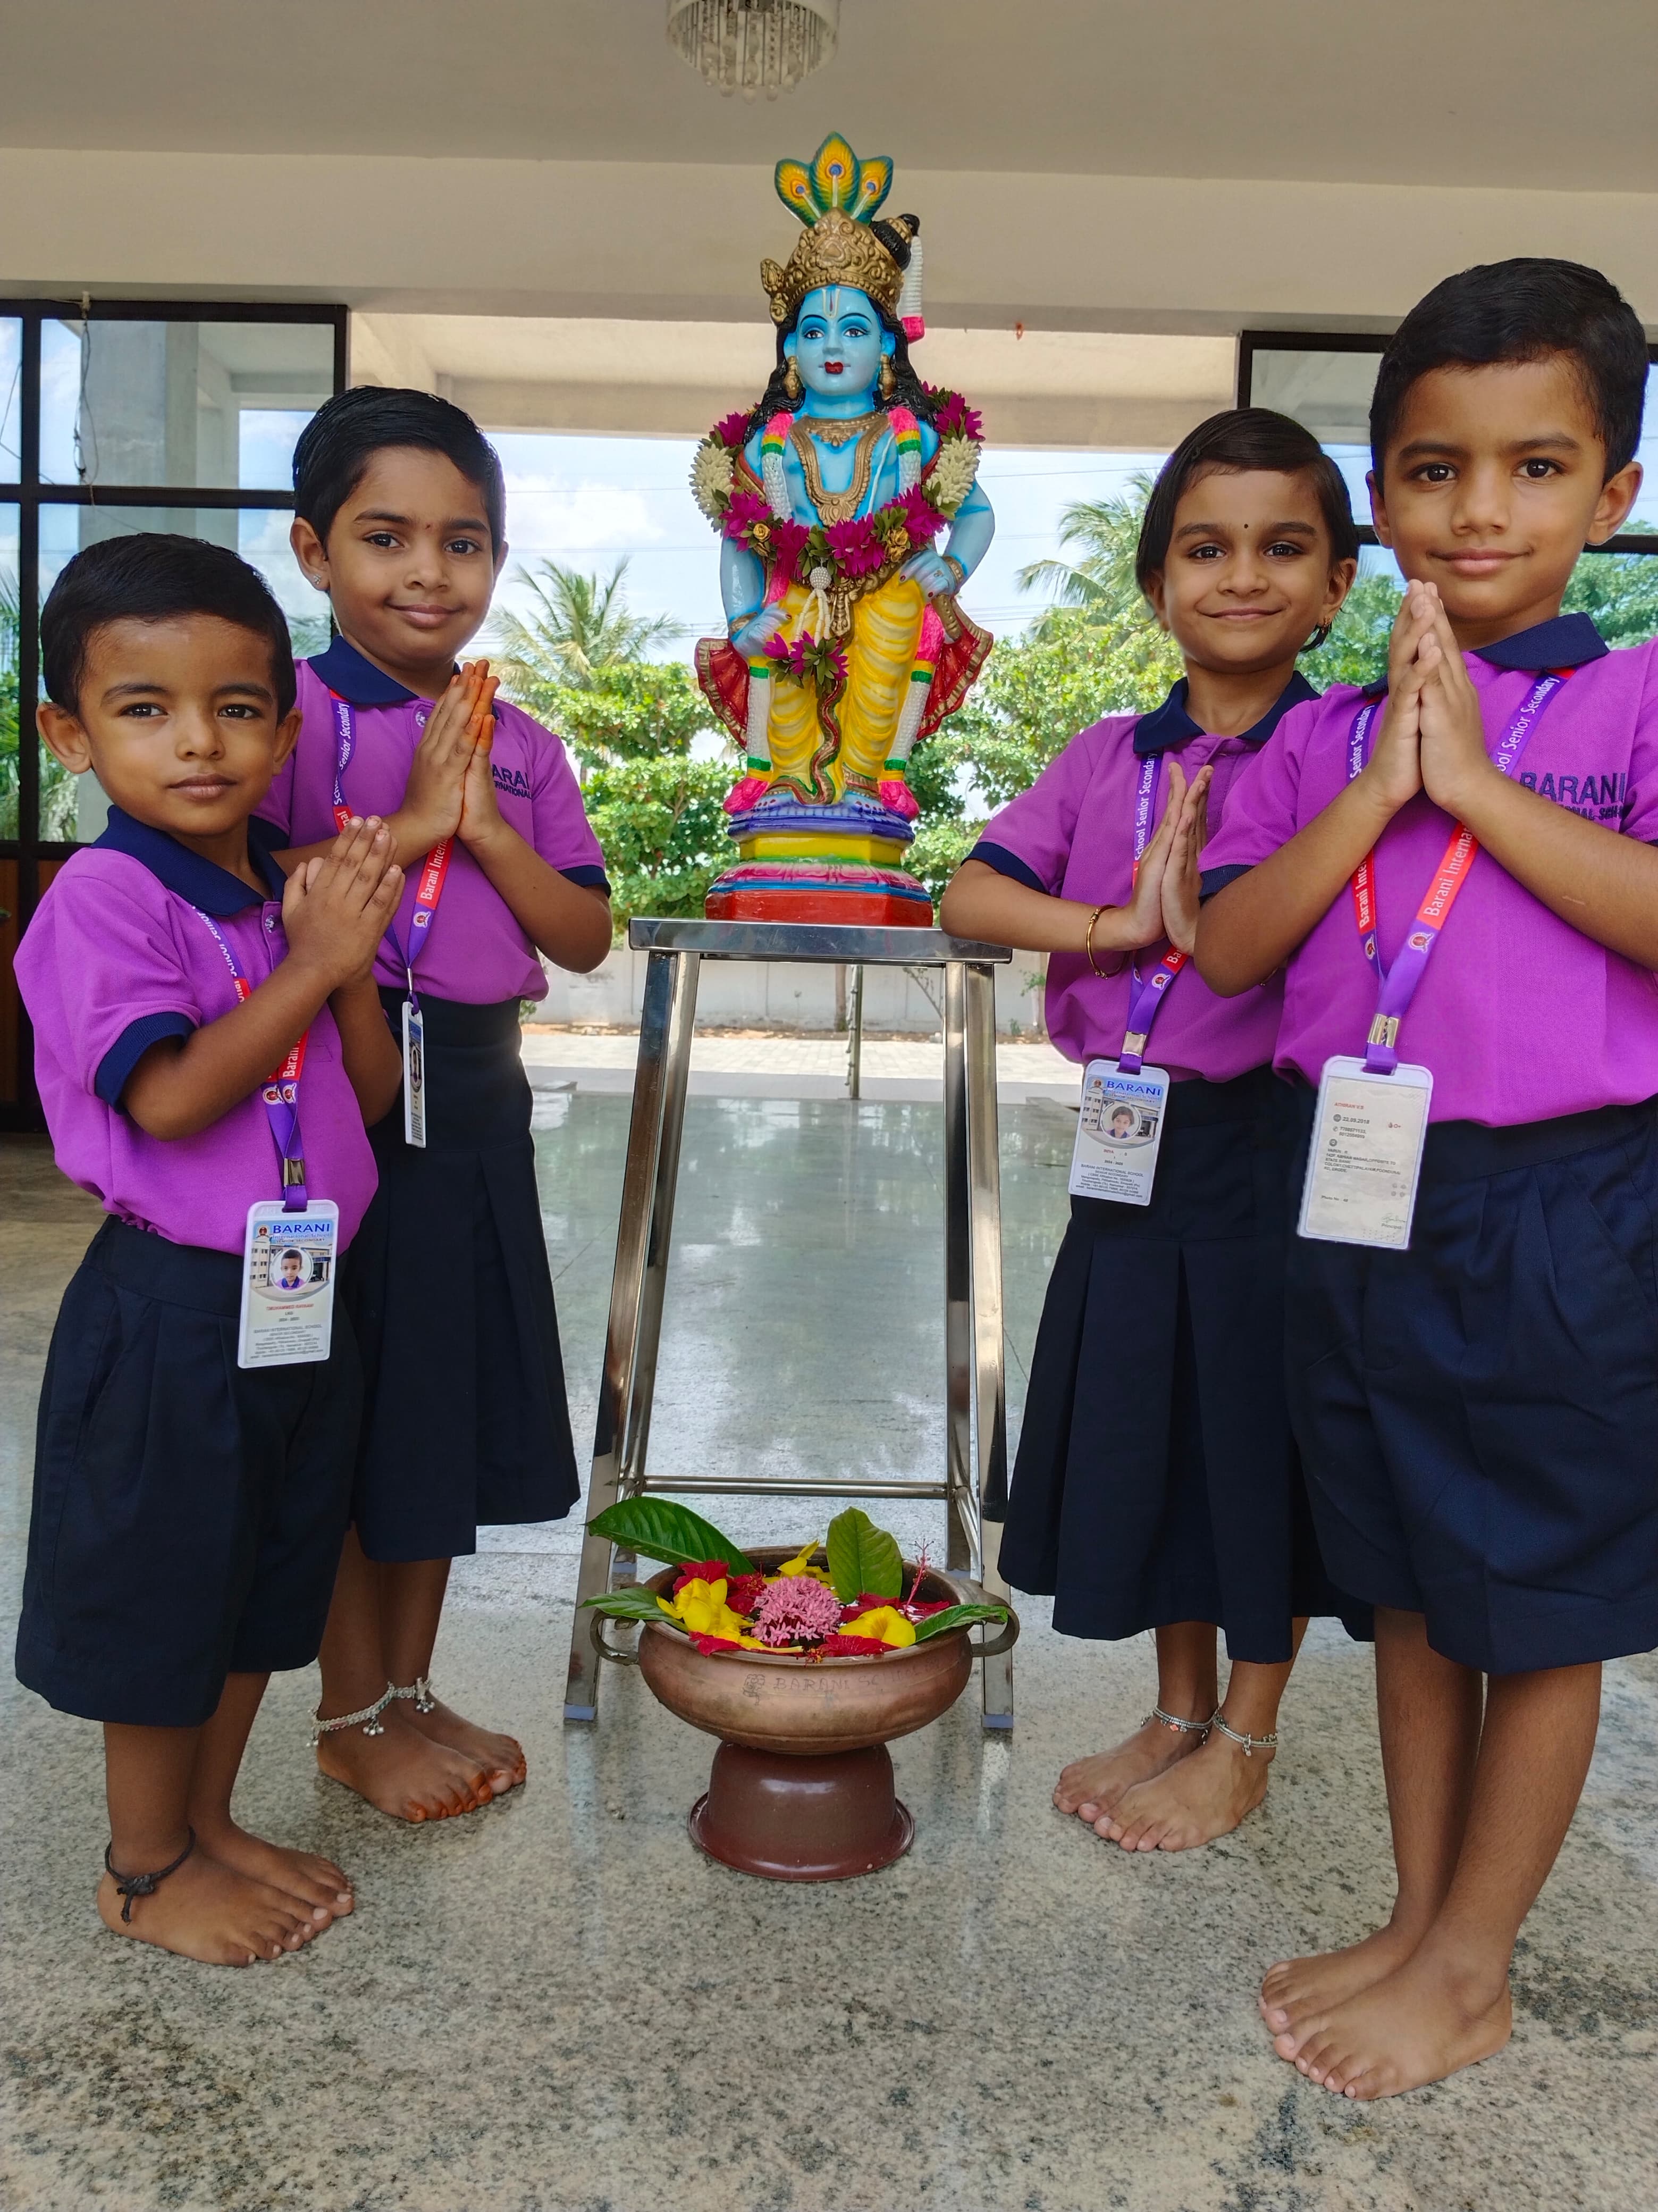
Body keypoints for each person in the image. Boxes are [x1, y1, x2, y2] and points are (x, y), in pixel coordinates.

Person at [1196, 258, 1654, 2099]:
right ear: (1380, 495)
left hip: (1561, 1205)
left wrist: (1473, 787)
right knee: (1399, 1577)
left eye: (1539, 467)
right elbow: (1231, 950)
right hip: (1355, 1189)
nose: (1481, 511)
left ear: (1614, 495)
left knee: (1535, 1593)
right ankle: (1413, 1918)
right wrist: (1380, 790)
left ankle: (1474, 1965)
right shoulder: (1318, 731)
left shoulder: (1636, 703)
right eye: (1435, 469)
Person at [940, 409, 1367, 1854]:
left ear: (1337, 585)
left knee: (1253, 1434)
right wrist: (1114, 923)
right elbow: (969, 895)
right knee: (1161, 1422)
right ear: (1156, 582)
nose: (1241, 576)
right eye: (1205, 548)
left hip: (1273, 1139)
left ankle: (1245, 1732)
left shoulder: (1344, 746)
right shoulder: (1106, 756)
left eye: (1282, 548)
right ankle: (1177, 1711)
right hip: (1134, 1141)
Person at [15, 533, 405, 1964]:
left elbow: (367, 1097)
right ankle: (142, 1868)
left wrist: (337, 969)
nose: (198, 741)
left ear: (283, 733)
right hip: (174, 1310)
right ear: (70, 734)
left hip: (298, 1300)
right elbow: (173, 1098)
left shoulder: (272, 902)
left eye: (238, 708)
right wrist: (316, 963)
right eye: (145, 708)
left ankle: (208, 1823)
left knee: (263, 1574)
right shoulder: (104, 900)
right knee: (166, 1581)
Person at [263, 388, 612, 1823]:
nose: (428, 573)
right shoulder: (277, 714)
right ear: (314, 550)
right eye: (385, 537)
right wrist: (405, 821)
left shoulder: (518, 742)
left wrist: (483, 828)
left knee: (437, 1402)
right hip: (330, 1085)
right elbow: (248, 895)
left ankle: (409, 1690)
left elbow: (582, 932)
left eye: (463, 543)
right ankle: (349, 1713)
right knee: (350, 1408)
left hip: (470, 1087)